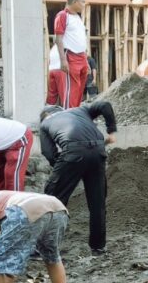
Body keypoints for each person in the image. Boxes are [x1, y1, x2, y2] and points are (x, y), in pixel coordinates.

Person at [40, 101, 117, 256]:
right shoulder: (80, 110)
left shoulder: (45, 124)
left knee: (52, 199)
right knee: (97, 203)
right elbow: (105, 105)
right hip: (98, 151)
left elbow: (49, 153)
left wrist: (64, 169)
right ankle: (98, 247)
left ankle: (43, 248)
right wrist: (111, 131)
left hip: (72, 151)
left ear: (45, 116)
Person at [49, 0, 89, 109]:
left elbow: (80, 40)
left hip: (81, 56)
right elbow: (58, 39)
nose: (84, 4)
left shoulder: (77, 17)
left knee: (78, 91)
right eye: (82, 2)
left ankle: (75, 114)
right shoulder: (62, 15)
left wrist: (86, 60)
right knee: (70, 92)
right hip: (70, 55)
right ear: (75, 2)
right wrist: (63, 60)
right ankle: (69, 115)